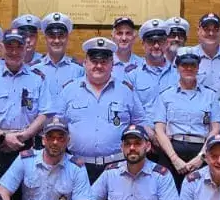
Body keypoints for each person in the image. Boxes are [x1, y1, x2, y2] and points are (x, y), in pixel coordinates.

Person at [47, 37, 146, 185]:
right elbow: (56, 125)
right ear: (85, 63)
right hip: (76, 167)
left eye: (104, 61)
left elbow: (141, 122)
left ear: (112, 64)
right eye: (94, 61)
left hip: (117, 168)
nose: (99, 66)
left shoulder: (126, 91)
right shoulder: (69, 90)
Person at [0, 28, 48, 173]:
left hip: (26, 144)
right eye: (10, 47)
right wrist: (2, 136)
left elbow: (44, 114)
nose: (14, 52)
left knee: (27, 192)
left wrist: (24, 136)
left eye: (19, 47)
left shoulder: (37, 78)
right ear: (1, 48)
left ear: (25, 48)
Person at [149, 46, 220, 185]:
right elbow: (159, 130)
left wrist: (202, 157)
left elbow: (215, 129)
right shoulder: (166, 95)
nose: (188, 68)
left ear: (198, 67)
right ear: (177, 67)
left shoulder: (210, 96)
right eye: (184, 65)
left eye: (192, 65)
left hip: (201, 150)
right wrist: (174, 158)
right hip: (172, 150)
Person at [31, 12, 84, 102]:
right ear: (46, 38)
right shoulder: (33, 69)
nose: (56, 40)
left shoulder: (79, 70)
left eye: (61, 36)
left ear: (67, 38)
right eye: (52, 36)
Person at [126, 19, 179, 106]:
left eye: (160, 41)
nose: (156, 46)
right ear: (143, 44)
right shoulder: (132, 76)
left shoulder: (178, 74)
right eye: (151, 42)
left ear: (167, 43)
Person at [193, 13, 220, 92]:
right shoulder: (188, 56)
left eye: (215, 29)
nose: (211, 33)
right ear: (198, 31)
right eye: (206, 29)